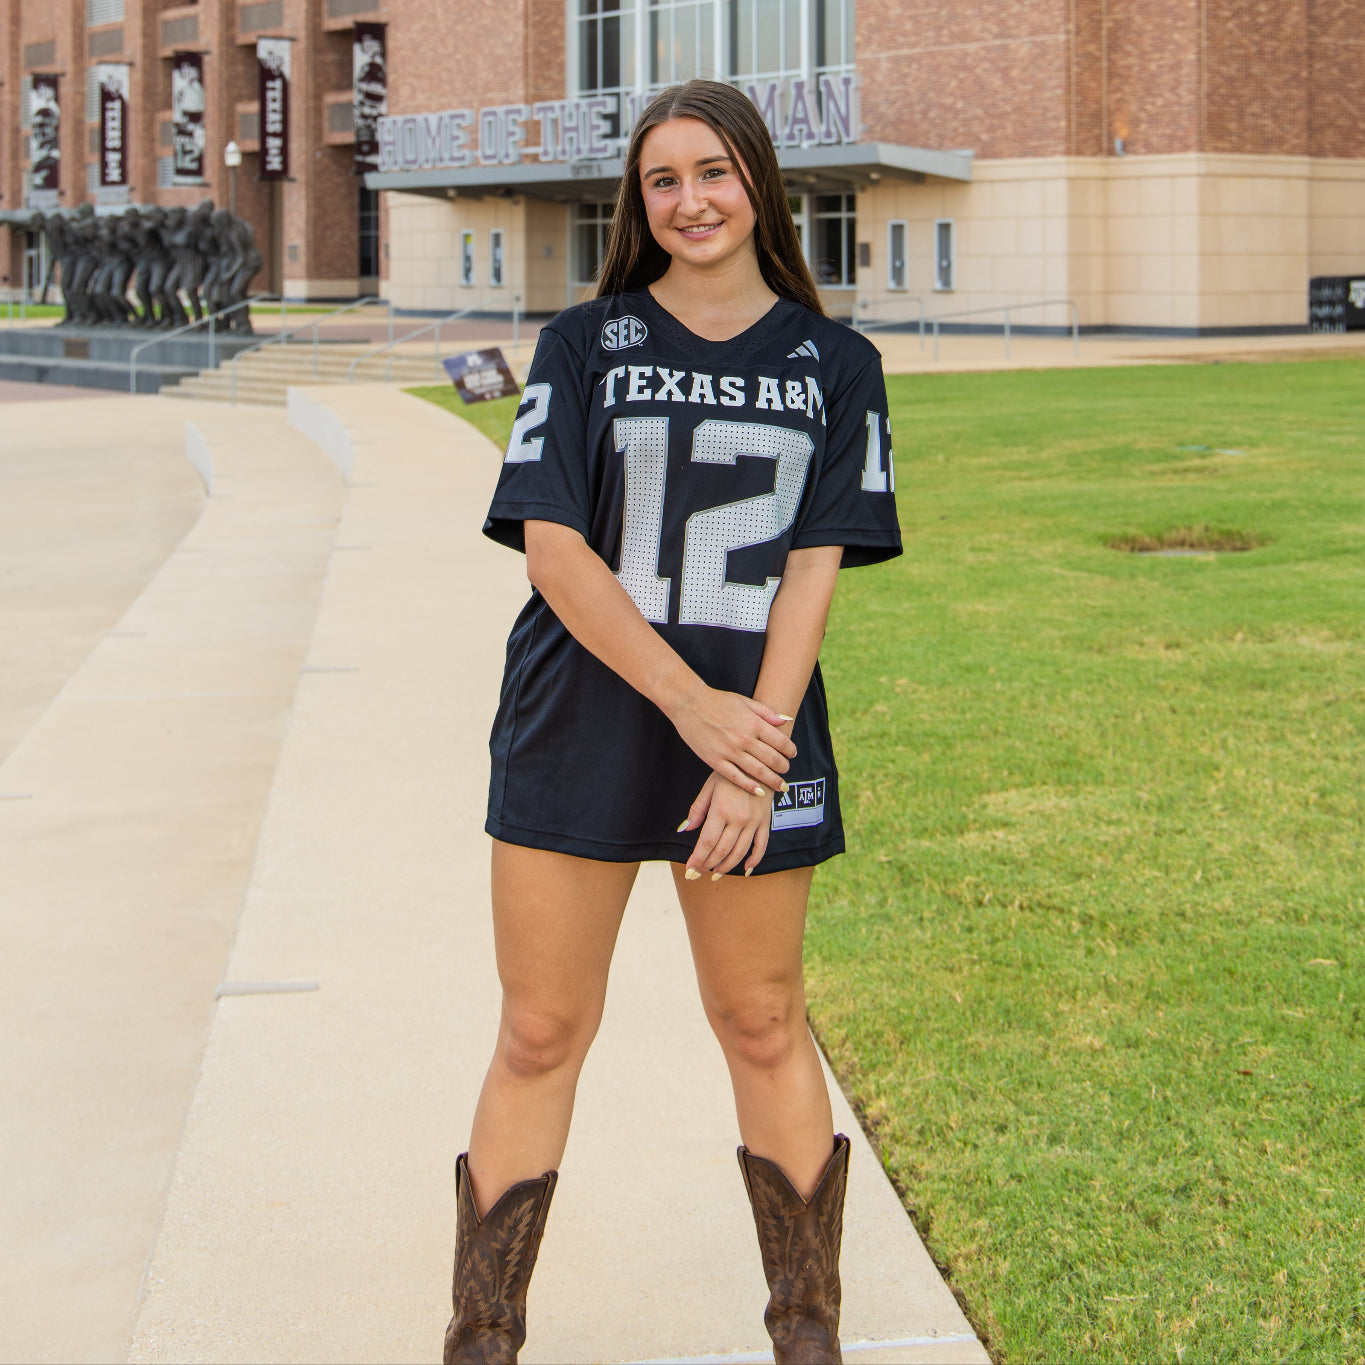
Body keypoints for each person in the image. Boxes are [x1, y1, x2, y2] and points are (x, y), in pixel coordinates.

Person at [444, 78, 901, 1365]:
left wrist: (751, 746)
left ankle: (807, 1331)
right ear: (636, 203)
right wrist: (690, 706)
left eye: (712, 171)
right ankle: (481, 1338)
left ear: (759, 180)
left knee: (761, 1019)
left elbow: (815, 565)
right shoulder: (585, 345)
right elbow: (552, 546)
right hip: (585, 715)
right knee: (540, 1029)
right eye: (661, 180)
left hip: (754, 736)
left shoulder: (836, 365)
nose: (689, 200)